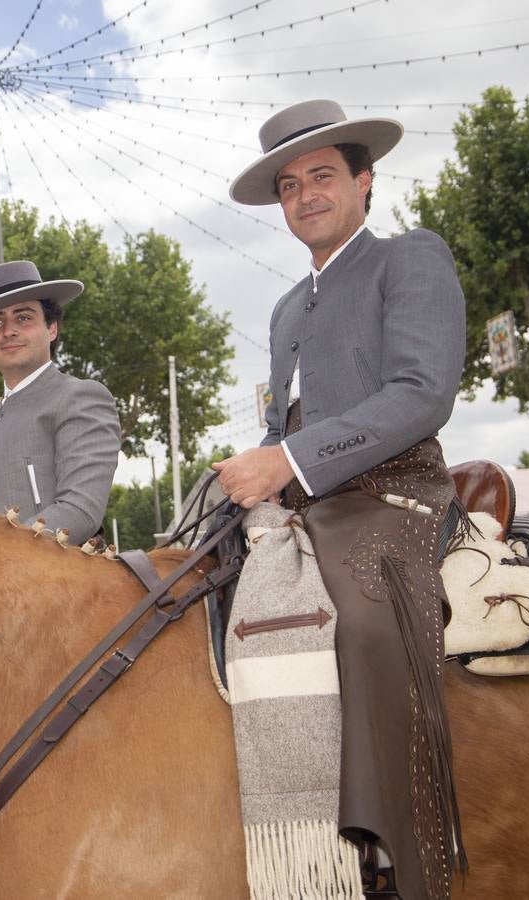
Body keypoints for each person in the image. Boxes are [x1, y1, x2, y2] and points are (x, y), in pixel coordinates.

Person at [214, 99, 467, 900]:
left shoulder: (410, 258)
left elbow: (423, 393)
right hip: (308, 500)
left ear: (364, 181)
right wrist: (251, 466)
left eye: (322, 175)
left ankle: (396, 852)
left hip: (397, 492)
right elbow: (282, 417)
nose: (304, 195)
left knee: (357, 620)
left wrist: (287, 457)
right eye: (288, 185)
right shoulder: (288, 306)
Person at [0, 260, 121, 546]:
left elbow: (80, 511)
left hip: (58, 585)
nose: (8, 330)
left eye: (23, 317)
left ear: (52, 328)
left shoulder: (80, 397)